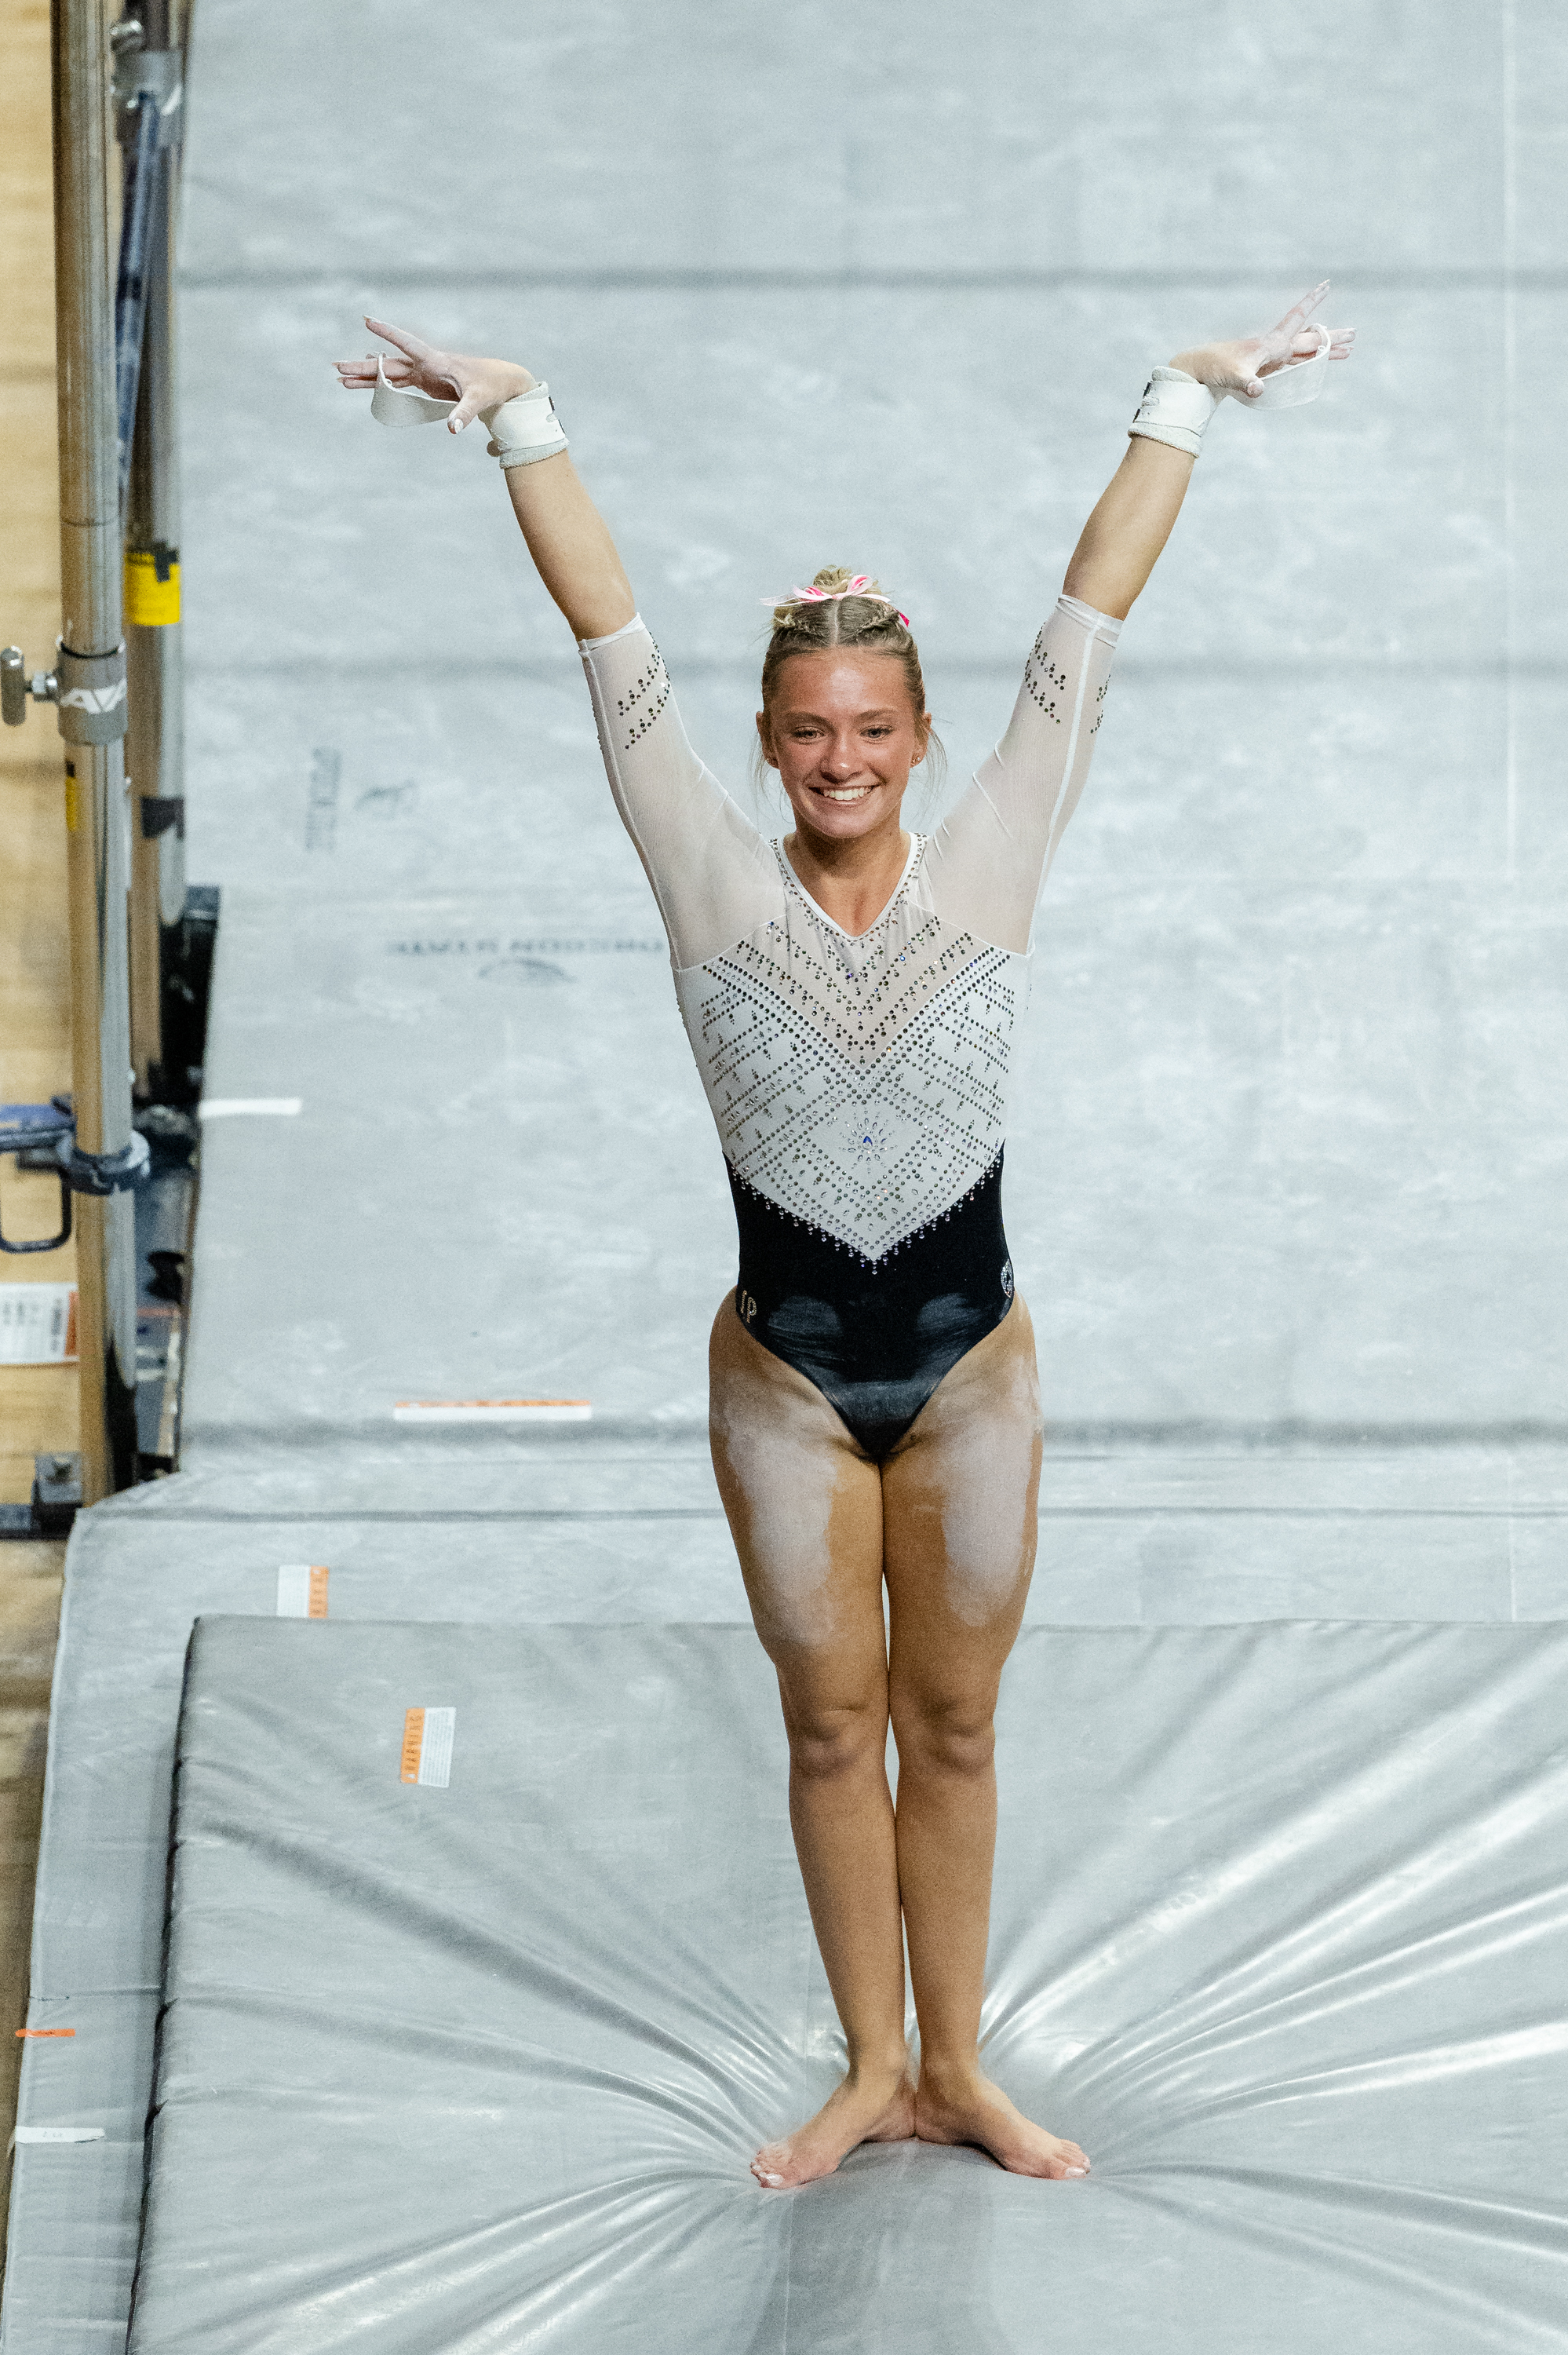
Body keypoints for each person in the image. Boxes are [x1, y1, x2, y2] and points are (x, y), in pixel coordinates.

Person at [337, 287, 1355, 2191]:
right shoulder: (708, 867)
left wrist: (1186, 397)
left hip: (967, 1368)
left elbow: (1086, 626)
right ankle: (868, 2062)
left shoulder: (991, 856)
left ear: (917, 731)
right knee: (829, 1728)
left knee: (952, 1725)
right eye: (807, 732)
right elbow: (605, 636)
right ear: (765, 740)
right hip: (787, 1377)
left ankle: (959, 2068)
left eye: (872, 728)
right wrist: (520, 414)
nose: (839, 760)